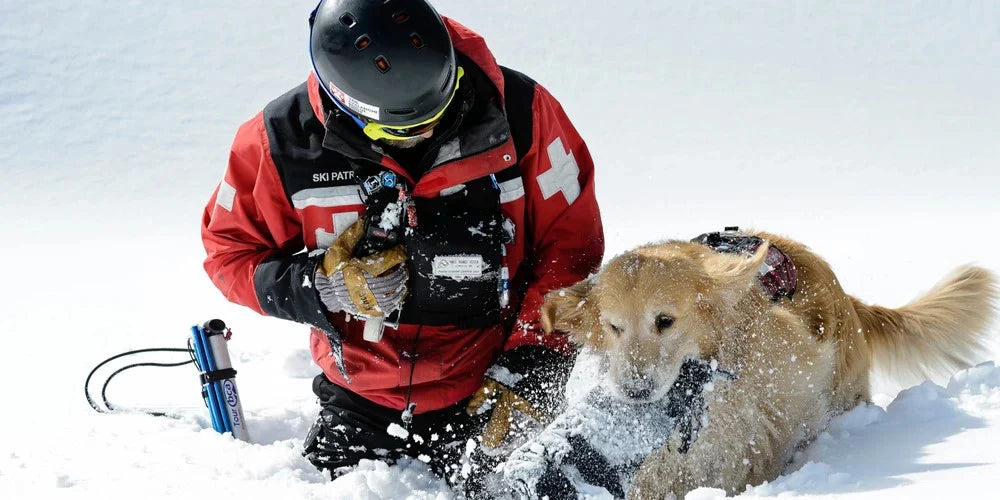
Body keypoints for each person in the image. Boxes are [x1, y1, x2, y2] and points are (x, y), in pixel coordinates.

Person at [200, 0, 603, 487]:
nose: (428, 131)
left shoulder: (523, 113)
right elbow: (229, 253)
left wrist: (531, 365)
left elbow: (570, 247)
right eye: (402, 130)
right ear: (345, 103)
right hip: (362, 398)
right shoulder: (277, 143)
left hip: (495, 382)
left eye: (439, 110)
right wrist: (319, 285)